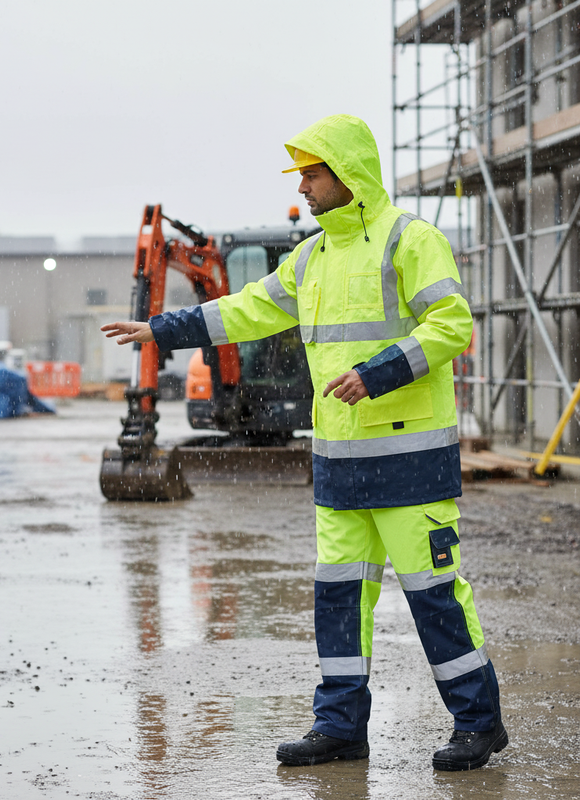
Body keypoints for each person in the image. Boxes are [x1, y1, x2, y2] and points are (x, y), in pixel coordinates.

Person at [101, 114, 506, 772]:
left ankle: (478, 724)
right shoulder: (312, 257)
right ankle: (340, 726)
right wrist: (160, 329)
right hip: (340, 471)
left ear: (347, 176)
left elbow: (452, 324)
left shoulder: (411, 241)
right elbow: (247, 307)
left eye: (313, 174)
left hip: (411, 469)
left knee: (434, 596)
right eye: (305, 178)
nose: (306, 187)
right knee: (338, 600)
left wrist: (377, 374)